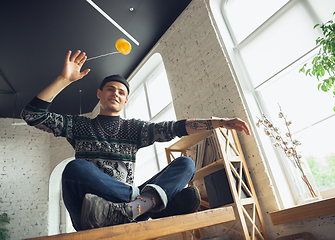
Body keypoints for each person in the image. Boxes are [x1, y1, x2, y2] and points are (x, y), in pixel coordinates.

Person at [21, 50, 251, 231]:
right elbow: (32, 115)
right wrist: (63, 79)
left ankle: (134, 208)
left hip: (128, 208)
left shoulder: (134, 129)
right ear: (99, 94)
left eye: (121, 92)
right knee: (74, 168)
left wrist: (217, 122)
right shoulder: (79, 125)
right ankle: (142, 205)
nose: (116, 94)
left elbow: (173, 128)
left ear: (126, 100)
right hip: (89, 212)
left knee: (187, 165)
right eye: (110, 89)